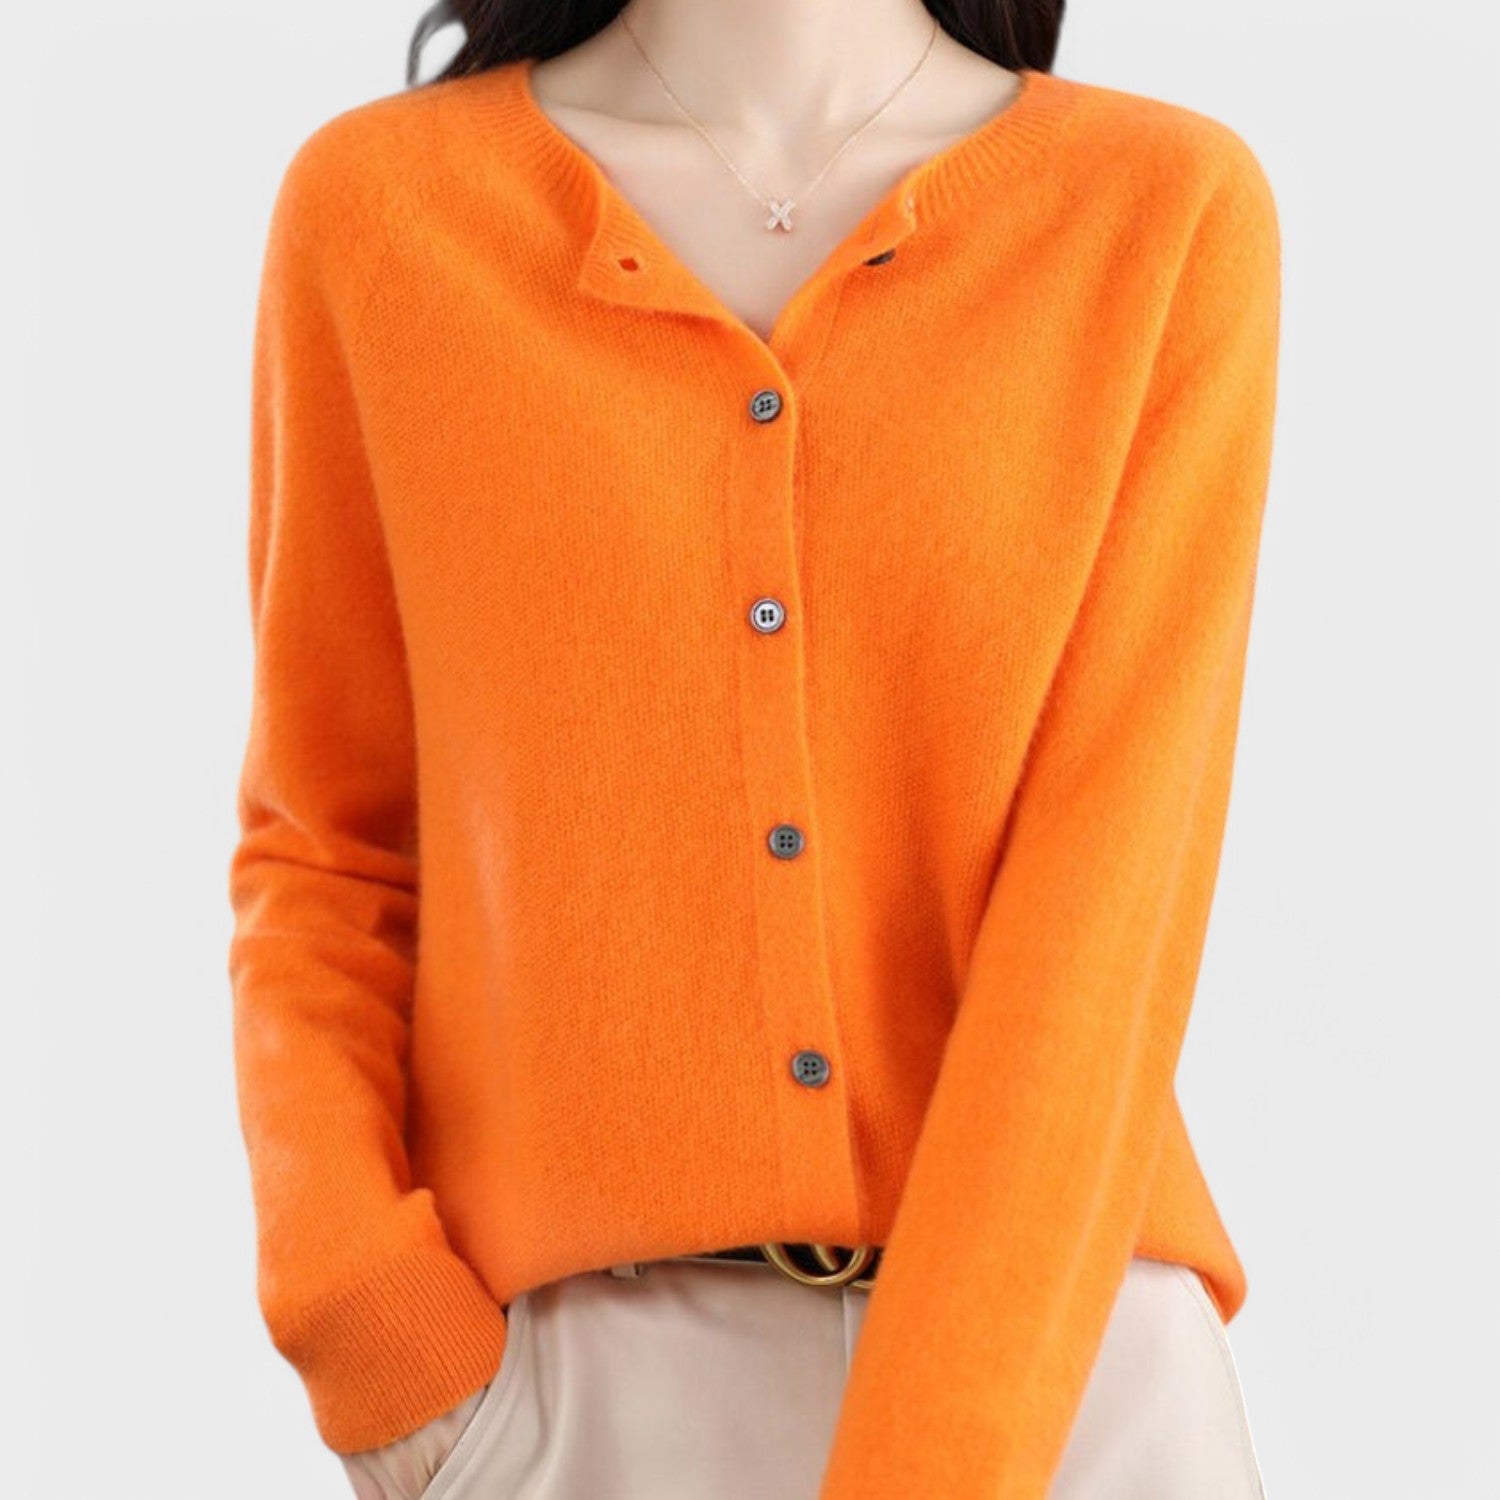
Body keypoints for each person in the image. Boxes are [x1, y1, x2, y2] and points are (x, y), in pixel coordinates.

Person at [226, 1, 1280, 1496]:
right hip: (581, 1408)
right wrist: (369, 1325)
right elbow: (329, 849)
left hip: (1073, 1392)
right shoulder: (386, 214)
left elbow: (1113, 910)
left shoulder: (1157, 212)